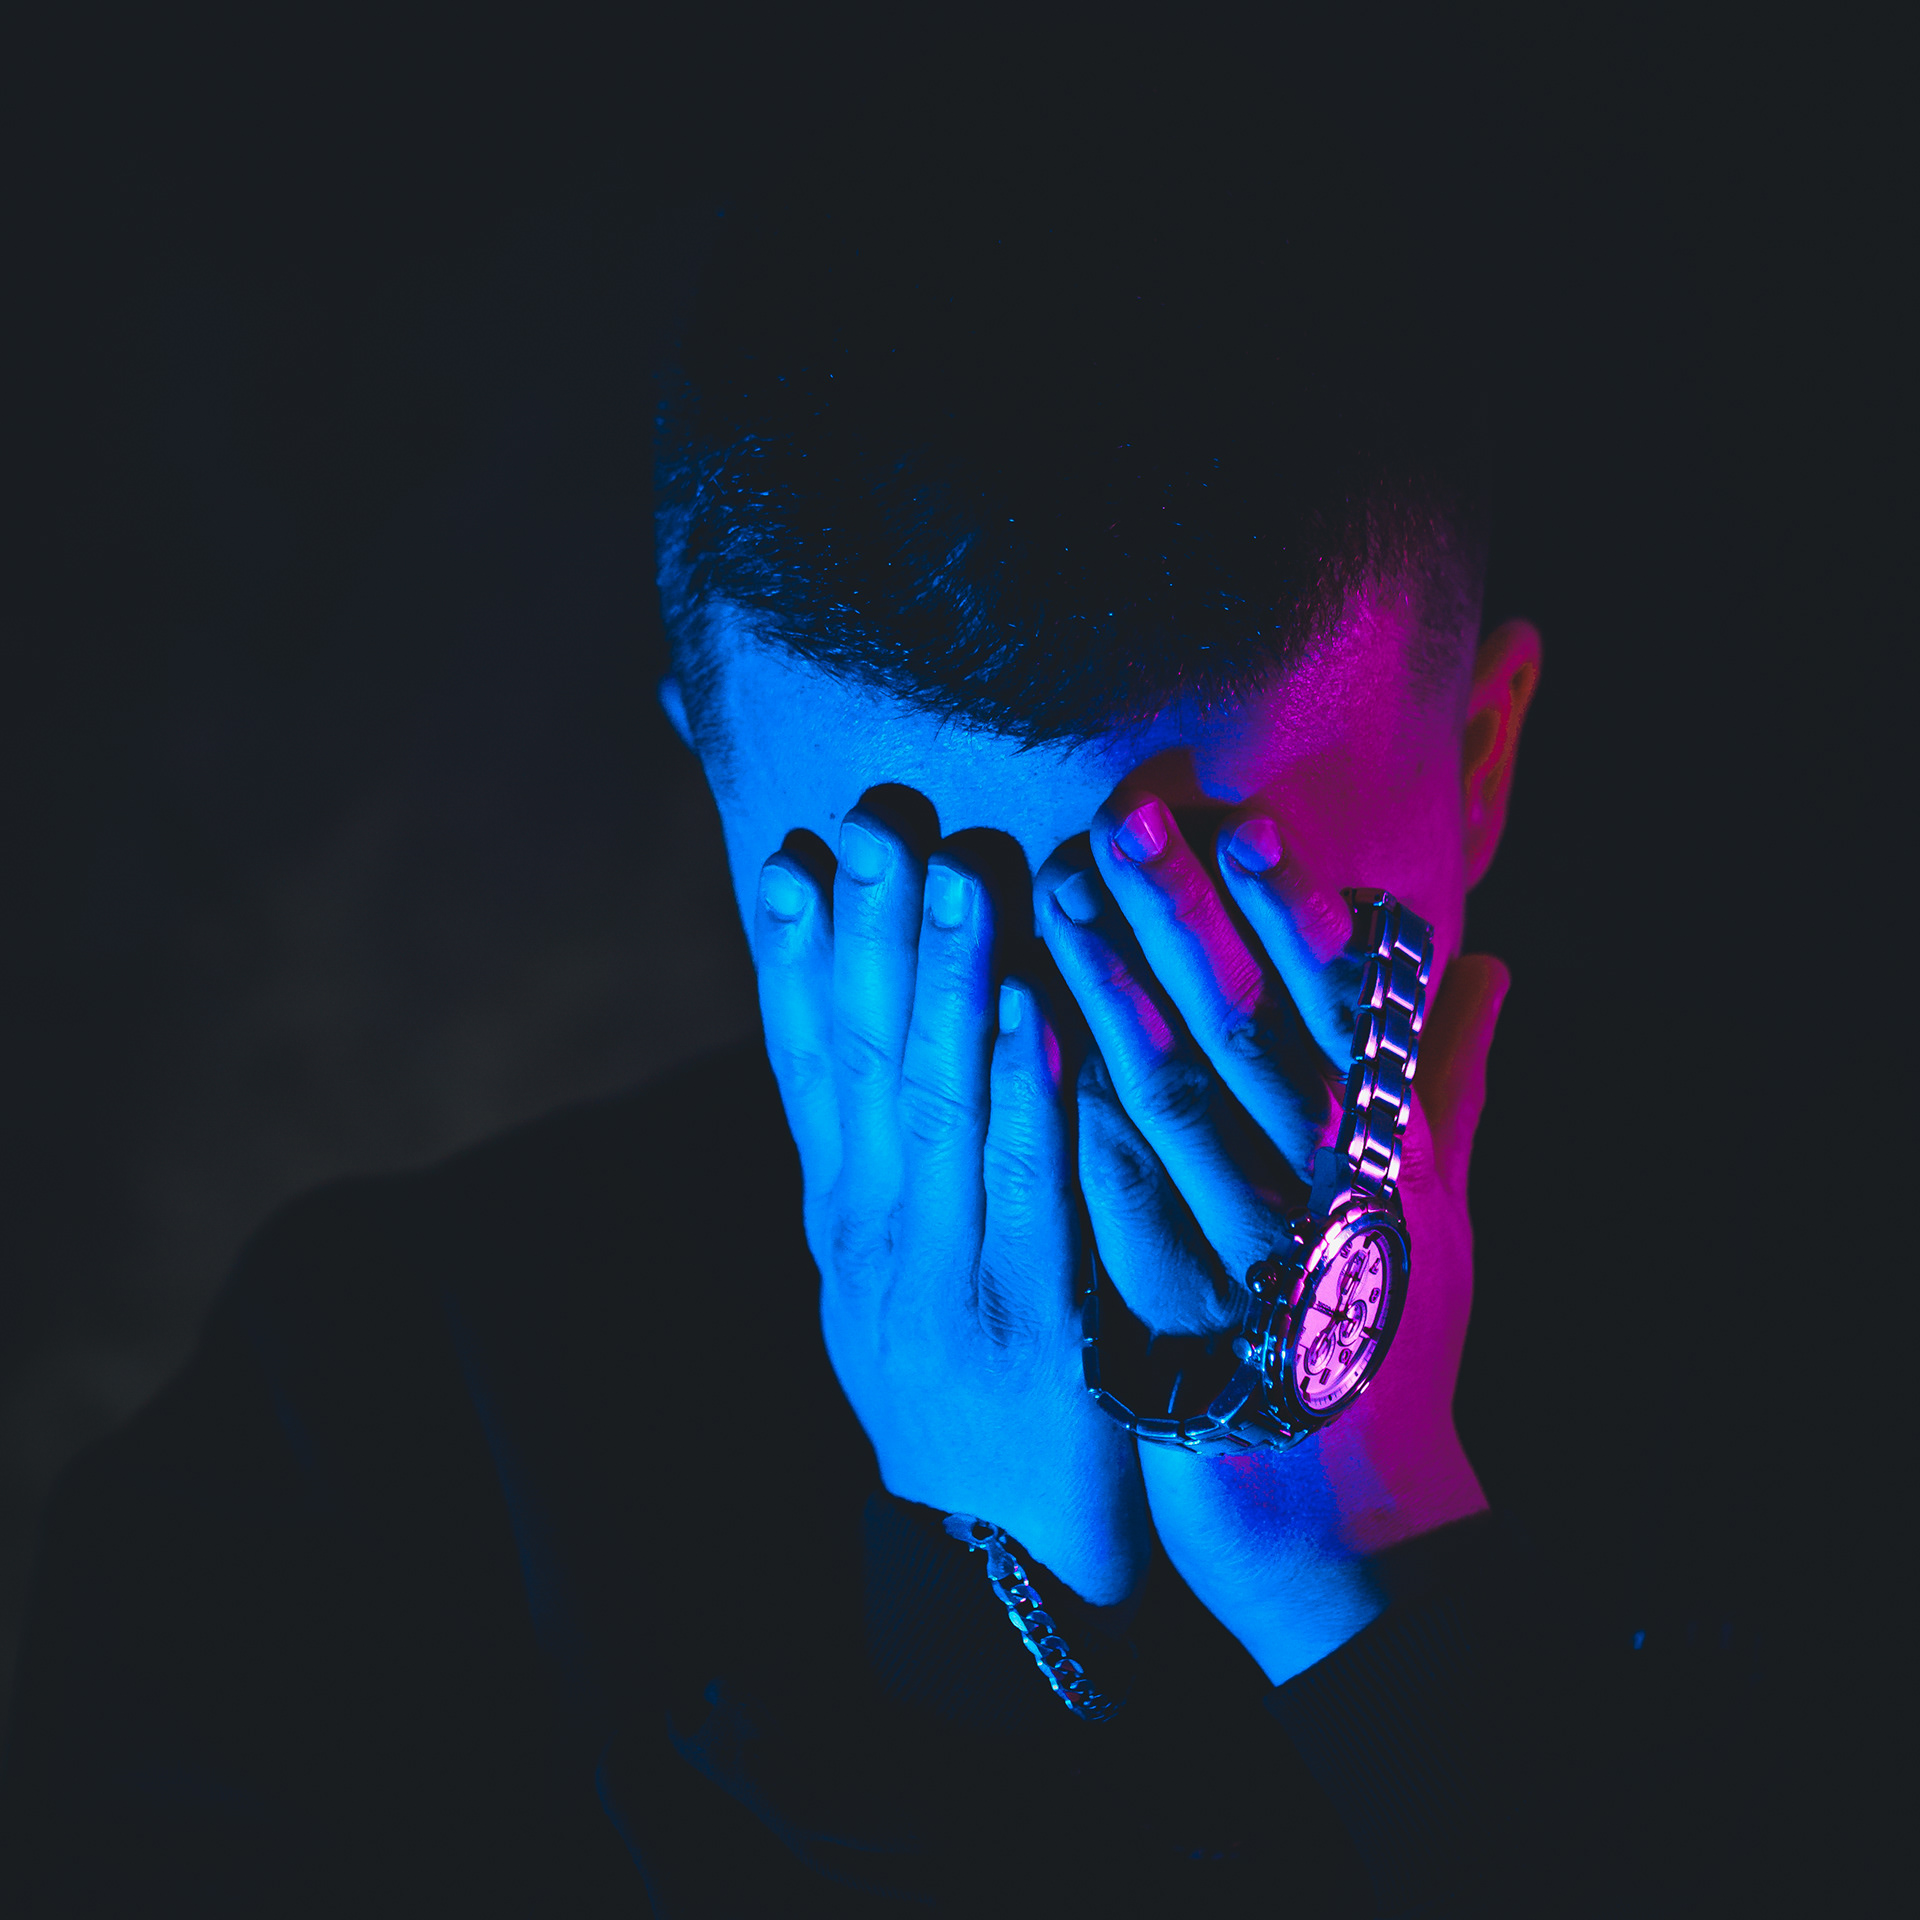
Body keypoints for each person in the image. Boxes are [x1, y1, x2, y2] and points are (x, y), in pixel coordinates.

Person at [0, 31, 1764, 1917]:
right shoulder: (363, 1442)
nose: (1089, 1074)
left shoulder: (1816, 1323)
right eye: (932, 924)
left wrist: (1379, 1583)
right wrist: (976, 1622)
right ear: (718, 786)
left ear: (1480, 764)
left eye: (1212, 919)